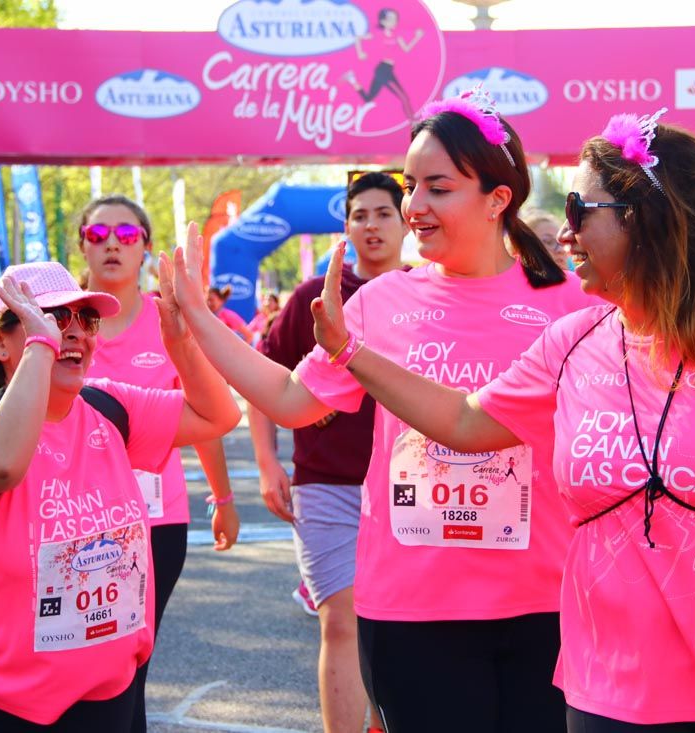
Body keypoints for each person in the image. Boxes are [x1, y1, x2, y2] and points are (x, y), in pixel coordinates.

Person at [307, 109, 695, 732]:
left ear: (646, 220)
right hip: (610, 688)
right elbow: (464, 422)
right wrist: (347, 351)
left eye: (580, 210)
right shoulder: (573, 338)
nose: (563, 235)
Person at [173, 87, 595, 732]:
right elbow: (291, 401)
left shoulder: (569, 303)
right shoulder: (383, 300)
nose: (414, 206)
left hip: (545, 601)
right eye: (411, 185)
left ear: (498, 199)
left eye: (438, 187)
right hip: (411, 605)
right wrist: (201, 322)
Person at [0, 255, 240, 730]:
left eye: (87, 319)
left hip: (105, 695)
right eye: (54, 319)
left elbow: (218, 416)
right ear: (0, 342)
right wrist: (39, 347)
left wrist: (180, 342)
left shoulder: (110, 406)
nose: (75, 332)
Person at [248, 171, 408, 733]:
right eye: (359, 215)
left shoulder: (425, 292)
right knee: (340, 621)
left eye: (383, 213)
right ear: (346, 227)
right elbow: (264, 384)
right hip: (326, 489)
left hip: (410, 491)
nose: (371, 225)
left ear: (405, 219)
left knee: (398, 628)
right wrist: (269, 464)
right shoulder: (312, 298)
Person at [77, 194, 240, 732]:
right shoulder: (63, 322)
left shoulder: (167, 321)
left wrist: (223, 499)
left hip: (155, 521)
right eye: (98, 235)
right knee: (80, 658)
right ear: (82, 244)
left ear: (145, 247)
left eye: (126, 236)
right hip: (72, 521)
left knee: (131, 661)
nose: (112, 246)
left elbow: (205, 417)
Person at [343, 8, 425, 119]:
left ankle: (352, 80)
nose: (394, 22)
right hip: (383, 70)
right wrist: (360, 53)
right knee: (404, 97)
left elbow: (406, 49)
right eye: (390, 19)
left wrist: (417, 37)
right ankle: (412, 120)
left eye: (395, 19)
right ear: (382, 21)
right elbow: (358, 38)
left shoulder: (396, 35)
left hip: (387, 70)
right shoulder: (377, 34)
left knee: (368, 98)